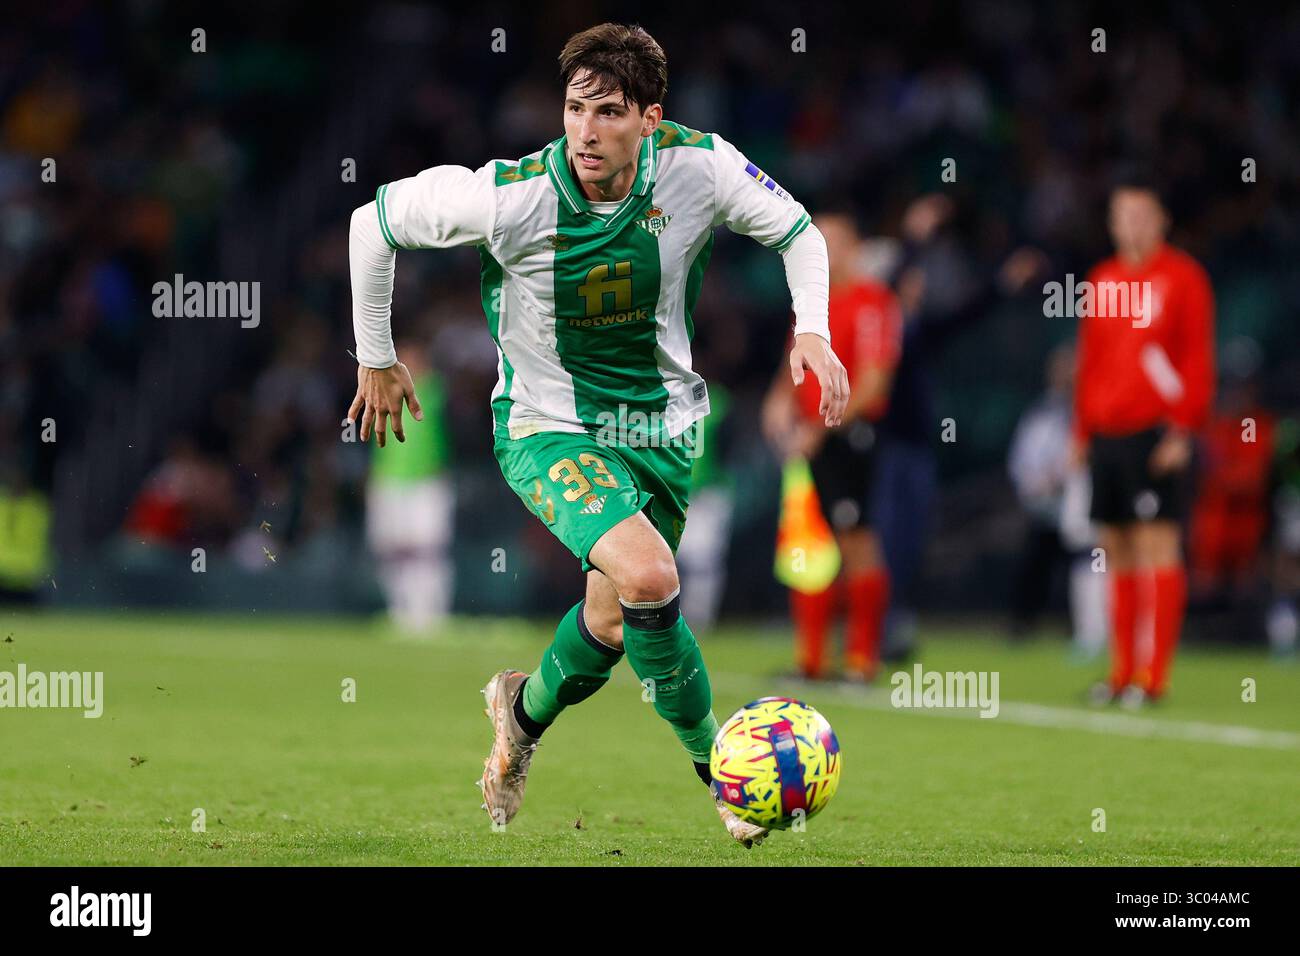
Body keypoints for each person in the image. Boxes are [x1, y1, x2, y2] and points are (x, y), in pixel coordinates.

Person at [344, 23, 847, 846]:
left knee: (612, 627)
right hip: (550, 426)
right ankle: (721, 769)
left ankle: (519, 713)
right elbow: (375, 223)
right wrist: (375, 355)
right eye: (575, 107)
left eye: (609, 111)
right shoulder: (509, 195)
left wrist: (814, 330)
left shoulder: (699, 167)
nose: (585, 128)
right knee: (652, 577)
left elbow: (800, 233)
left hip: (667, 430)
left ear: (652, 117)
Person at [1076, 178, 1215, 707]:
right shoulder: (1102, 279)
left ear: (1162, 221)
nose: (1131, 223)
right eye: (1122, 213)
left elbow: (1197, 358)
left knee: (1158, 545)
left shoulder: (1183, 278)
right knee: (1116, 549)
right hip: (1106, 433)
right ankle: (1120, 673)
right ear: (1111, 222)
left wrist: (1185, 428)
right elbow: (1090, 363)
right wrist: (1080, 432)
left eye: (1141, 213)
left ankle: (1153, 678)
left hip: (1156, 431)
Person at [762, 210, 901, 682]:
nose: (826, 251)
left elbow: (875, 383)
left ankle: (862, 660)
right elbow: (794, 365)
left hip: (846, 438)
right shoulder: (811, 305)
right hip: (810, 440)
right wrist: (778, 400)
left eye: (836, 241)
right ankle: (812, 661)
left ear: (858, 248)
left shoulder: (873, 301)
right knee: (809, 546)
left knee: (857, 539)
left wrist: (821, 427)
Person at [365, 339, 454, 632]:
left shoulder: (434, 391)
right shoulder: (381, 391)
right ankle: (400, 614)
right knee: (392, 551)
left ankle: (432, 617)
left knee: (428, 551)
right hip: (388, 479)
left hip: (428, 480)